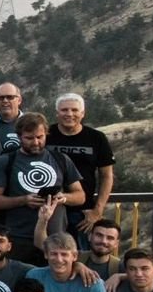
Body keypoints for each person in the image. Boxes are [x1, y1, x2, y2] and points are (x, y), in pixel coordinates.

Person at [0, 114, 85, 265]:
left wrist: (63, 198)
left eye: (40, 137)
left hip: (54, 239)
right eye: (29, 138)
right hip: (18, 237)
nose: (36, 142)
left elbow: (80, 196)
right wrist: (24, 200)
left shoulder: (61, 159)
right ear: (19, 137)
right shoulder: (6, 161)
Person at [47, 93, 116, 249]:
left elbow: (106, 176)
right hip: (49, 208)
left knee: (81, 256)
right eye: (64, 110)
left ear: (82, 113)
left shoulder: (96, 138)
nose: (69, 114)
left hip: (82, 213)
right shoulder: (45, 135)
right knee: (52, 254)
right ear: (57, 113)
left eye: (74, 110)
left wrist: (97, 210)